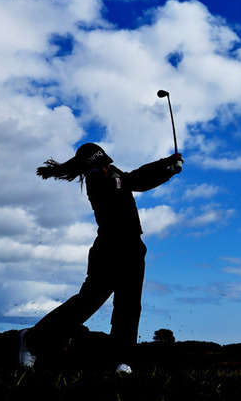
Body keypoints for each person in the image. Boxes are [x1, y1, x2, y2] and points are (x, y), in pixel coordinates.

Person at [18, 143, 182, 374]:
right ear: (87, 172)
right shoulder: (98, 186)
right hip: (108, 250)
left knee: (129, 306)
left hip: (133, 249)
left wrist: (167, 166)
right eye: (96, 169)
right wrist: (166, 168)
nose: (103, 170)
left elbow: (136, 178)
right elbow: (132, 181)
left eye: (105, 164)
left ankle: (122, 361)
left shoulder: (114, 174)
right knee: (87, 303)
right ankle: (32, 339)